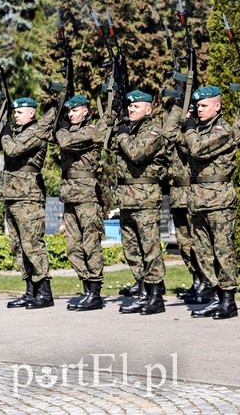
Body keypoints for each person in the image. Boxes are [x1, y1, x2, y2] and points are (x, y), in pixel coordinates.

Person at [0, 97, 54, 309]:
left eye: (20, 112)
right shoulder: (13, 133)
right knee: (17, 246)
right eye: (14, 112)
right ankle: (29, 291)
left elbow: (13, 150)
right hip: (12, 196)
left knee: (32, 244)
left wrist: (5, 132)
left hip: (29, 197)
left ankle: (44, 292)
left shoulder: (37, 132)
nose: (16, 115)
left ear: (32, 113)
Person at [181, 86, 239, 319]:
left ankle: (228, 299)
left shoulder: (224, 129)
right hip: (198, 199)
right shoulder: (199, 129)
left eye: (203, 106)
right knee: (203, 251)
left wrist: (190, 129)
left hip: (219, 199)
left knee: (223, 251)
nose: (199, 110)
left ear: (217, 106)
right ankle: (215, 295)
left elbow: (197, 149)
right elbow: (174, 139)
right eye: (197, 106)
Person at [113, 90, 167, 315]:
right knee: (131, 248)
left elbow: (136, 154)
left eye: (136, 106)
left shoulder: (153, 132)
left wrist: (123, 136)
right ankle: (143, 291)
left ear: (149, 109)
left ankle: (155, 296)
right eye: (129, 106)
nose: (130, 109)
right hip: (127, 198)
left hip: (145, 198)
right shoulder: (131, 130)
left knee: (150, 248)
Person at [55, 95, 107, 311]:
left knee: (90, 245)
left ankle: (95, 292)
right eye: (68, 112)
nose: (70, 115)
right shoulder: (70, 130)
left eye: (74, 111)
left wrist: (61, 129)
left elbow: (65, 142)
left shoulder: (92, 130)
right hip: (70, 195)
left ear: (85, 111)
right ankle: (87, 288)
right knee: (72, 247)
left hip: (86, 196)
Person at [163, 102, 208, 305]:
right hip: (178, 194)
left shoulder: (195, 133)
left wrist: (180, 113)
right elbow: (167, 133)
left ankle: (206, 282)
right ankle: (196, 279)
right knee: (184, 244)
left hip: (192, 193)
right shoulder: (184, 132)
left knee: (198, 243)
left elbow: (170, 131)